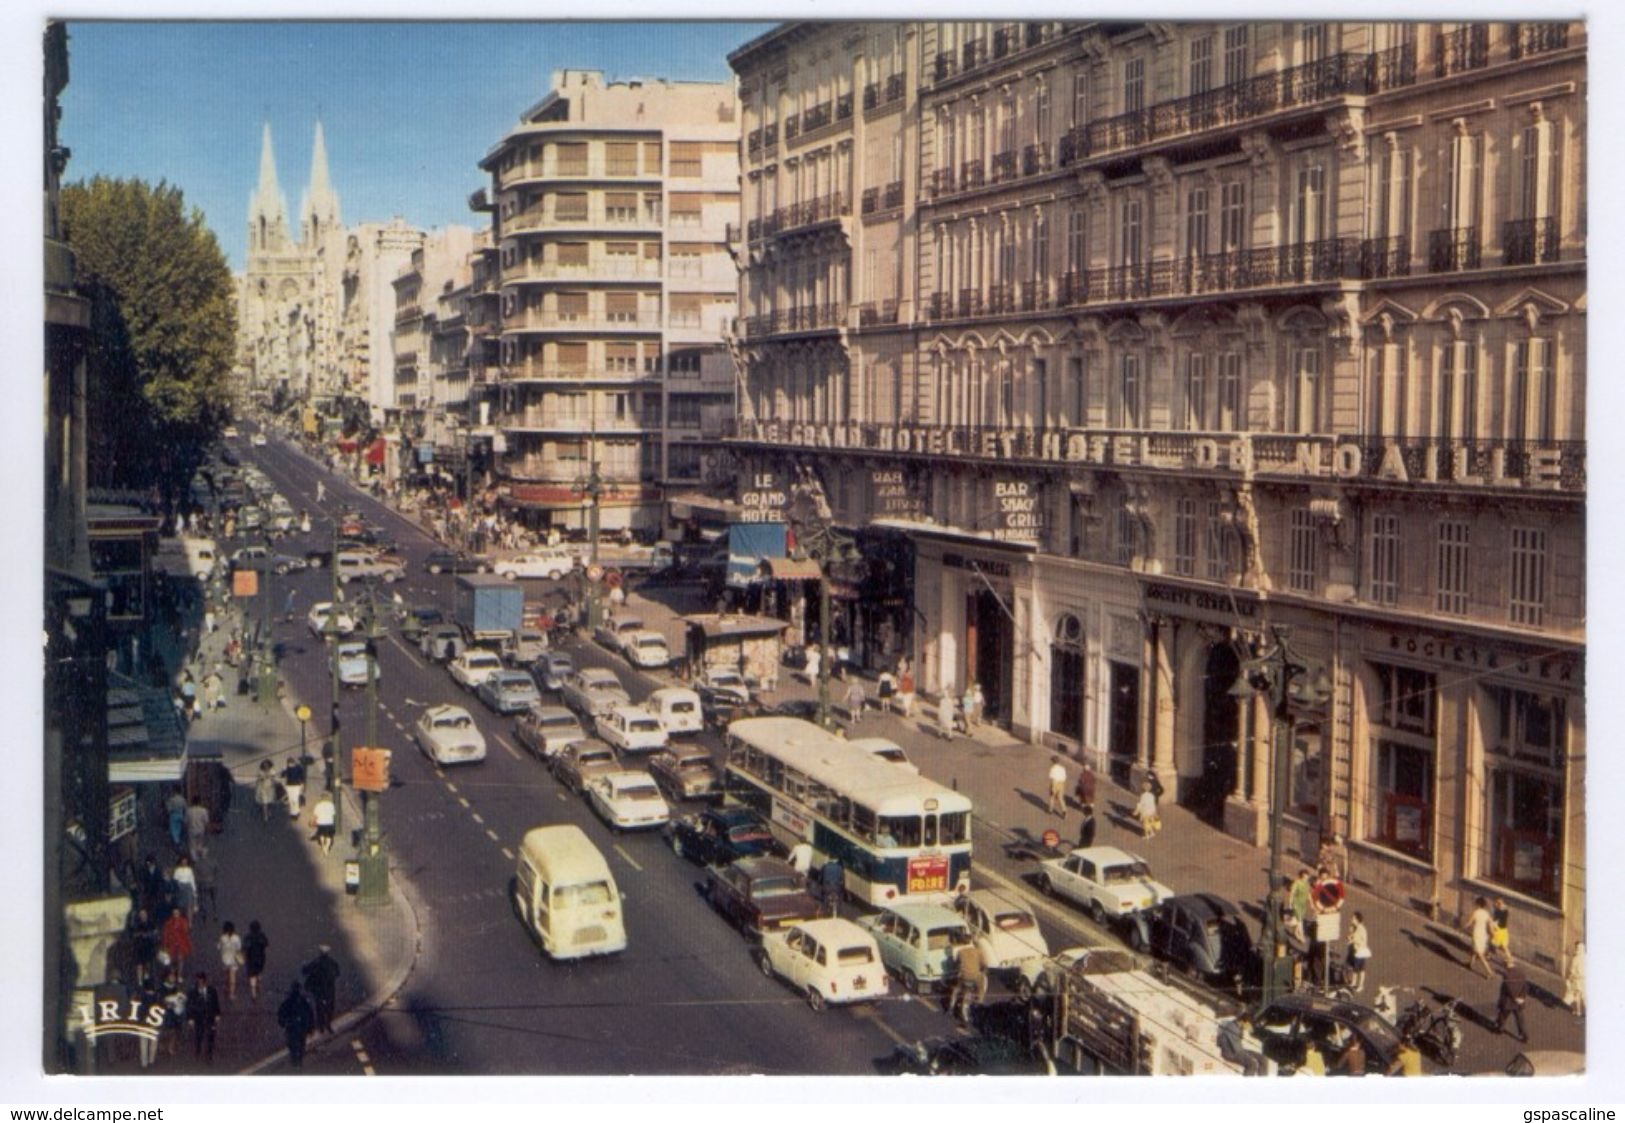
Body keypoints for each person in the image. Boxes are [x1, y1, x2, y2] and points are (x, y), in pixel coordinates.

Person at [302, 945, 342, 1036]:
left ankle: (321, 1027)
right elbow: (337, 973)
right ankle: (328, 1025)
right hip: (329, 990)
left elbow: (306, 971)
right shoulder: (332, 963)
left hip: (319, 990)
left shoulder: (316, 963)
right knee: (329, 1008)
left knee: (319, 1008)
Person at [277, 982, 315, 1069]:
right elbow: (310, 1014)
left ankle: (295, 1060)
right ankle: (298, 1060)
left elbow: (281, 1013)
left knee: (293, 1044)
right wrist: (310, 1028)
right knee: (300, 1044)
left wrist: (282, 1023)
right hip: (300, 1027)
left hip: (292, 1027)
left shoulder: (289, 1002)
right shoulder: (303, 1001)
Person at [948, 940, 987, 1023]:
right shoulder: (978, 951)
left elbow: (956, 963)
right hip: (975, 976)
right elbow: (984, 964)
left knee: (957, 988)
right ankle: (979, 1001)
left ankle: (951, 1005)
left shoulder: (960, 952)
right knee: (981, 988)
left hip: (964, 977)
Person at [187, 972, 221, 1063]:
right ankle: (198, 1050)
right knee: (199, 1035)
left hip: (210, 1016)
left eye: (202, 982)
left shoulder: (212, 991)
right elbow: (189, 1006)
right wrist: (190, 1018)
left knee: (211, 1036)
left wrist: (217, 1014)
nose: (201, 984)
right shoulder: (193, 993)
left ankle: (209, 1054)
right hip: (199, 1017)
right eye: (199, 982)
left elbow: (216, 1003)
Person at [1494, 959, 1530, 1043]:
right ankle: (1524, 1036)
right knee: (1520, 1019)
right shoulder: (1522, 973)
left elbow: (1509, 989)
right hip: (1519, 1002)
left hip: (1508, 1001)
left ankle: (1500, 1029)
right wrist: (1522, 997)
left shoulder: (1507, 975)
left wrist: (1515, 998)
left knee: (1503, 1016)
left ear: (1506, 965)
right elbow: (1525, 987)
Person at [1465, 895, 1495, 978]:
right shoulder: (1486, 913)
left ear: (1478, 904)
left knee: (1479, 954)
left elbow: (1469, 922)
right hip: (1484, 934)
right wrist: (1492, 933)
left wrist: (1464, 927)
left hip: (1477, 933)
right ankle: (1470, 963)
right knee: (1474, 949)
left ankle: (1489, 971)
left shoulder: (1476, 912)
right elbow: (1491, 924)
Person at [159, 908, 192, 980]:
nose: (175, 915)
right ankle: (172, 975)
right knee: (172, 960)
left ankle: (179, 975)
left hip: (180, 944)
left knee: (180, 959)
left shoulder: (183, 922)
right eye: (174, 913)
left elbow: (185, 933)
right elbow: (165, 934)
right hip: (171, 944)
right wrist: (165, 944)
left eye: (177, 913)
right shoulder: (168, 923)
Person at [243, 920, 269, 1003]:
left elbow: (244, 947)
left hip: (250, 960)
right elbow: (266, 944)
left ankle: (253, 994)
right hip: (260, 959)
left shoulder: (248, 937)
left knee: (252, 976)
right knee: (258, 973)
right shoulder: (262, 936)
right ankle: (258, 984)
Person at [1345, 910, 1372, 992]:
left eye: (1353, 918)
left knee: (1360, 970)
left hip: (1360, 952)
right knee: (1355, 968)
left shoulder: (1361, 929)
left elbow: (1363, 941)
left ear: (1357, 919)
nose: (1351, 919)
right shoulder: (1355, 927)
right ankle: (1354, 982)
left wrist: (1353, 940)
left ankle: (1360, 985)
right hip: (1357, 951)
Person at [217, 922, 243, 1002]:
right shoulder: (236, 938)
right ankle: (231, 994)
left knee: (226, 974)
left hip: (225, 959)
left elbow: (218, 947)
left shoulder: (222, 938)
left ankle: (226, 986)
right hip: (233, 959)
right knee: (232, 977)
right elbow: (239, 948)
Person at [170, 856, 198, 921]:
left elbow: (192, 880)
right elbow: (175, 880)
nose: (184, 862)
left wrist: (194, 890)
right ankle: (180, 921)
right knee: (180, 906)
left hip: (188, 888)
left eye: (185, 860)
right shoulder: (177, 870)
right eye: (183, 860)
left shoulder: (189, 870)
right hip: (180, 888)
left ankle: (190, 922)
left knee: (189, 906)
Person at [1563, 942, 1586, 1018]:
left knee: (1578, 995)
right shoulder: (1586, 957)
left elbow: (1572, 971)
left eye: (1577, 948)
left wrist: (1569, 979)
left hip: (1578, 980)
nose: (1576, 949)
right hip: (1585, 979)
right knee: (1583, 996)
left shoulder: (1575, 958)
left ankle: (1578, 1011)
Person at [185, 797, 210, 862]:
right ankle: (202, 853)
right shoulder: (203, 810)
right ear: (199, 802)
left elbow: (186, 821)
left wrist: (185, 829)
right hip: (201, 829)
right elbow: (206, 821)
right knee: (200, 843)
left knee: (192, 845)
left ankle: (194, 858)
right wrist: (207, 830)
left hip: (191, 830)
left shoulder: (188, 811)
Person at [1491, 895, 1513, 966]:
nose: (1497, 904)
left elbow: (1498, 920)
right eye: (1497, 903)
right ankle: (1509, 960)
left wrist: (1494, 924)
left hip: (1500, 930)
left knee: (1494, 942)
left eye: (1499, 903)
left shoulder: (1500, 910)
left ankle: (1510, 960)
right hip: (1503, 930)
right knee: (1503, 946)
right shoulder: (1503, 910)